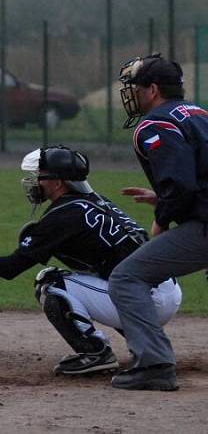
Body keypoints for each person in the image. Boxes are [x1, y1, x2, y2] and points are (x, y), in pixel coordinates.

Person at [0, 145, 181, 376]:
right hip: (164, 288)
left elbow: (10, 268)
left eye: (40, 176)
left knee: (50, 282)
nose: (35, 181)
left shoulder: (63, 215)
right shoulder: (96, 200)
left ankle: (95, 353)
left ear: (58, 183)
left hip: (145, 300)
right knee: (98, 273)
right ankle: (148, 341)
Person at [109, 53, 208, 391]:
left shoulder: (155, 124)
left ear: (152, 89)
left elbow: (180, 184)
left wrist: (162, 219)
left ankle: (154, 364)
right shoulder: (199, 114)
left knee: (126, 277)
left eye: (136, 88)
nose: (132, 95)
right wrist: (164, 198)